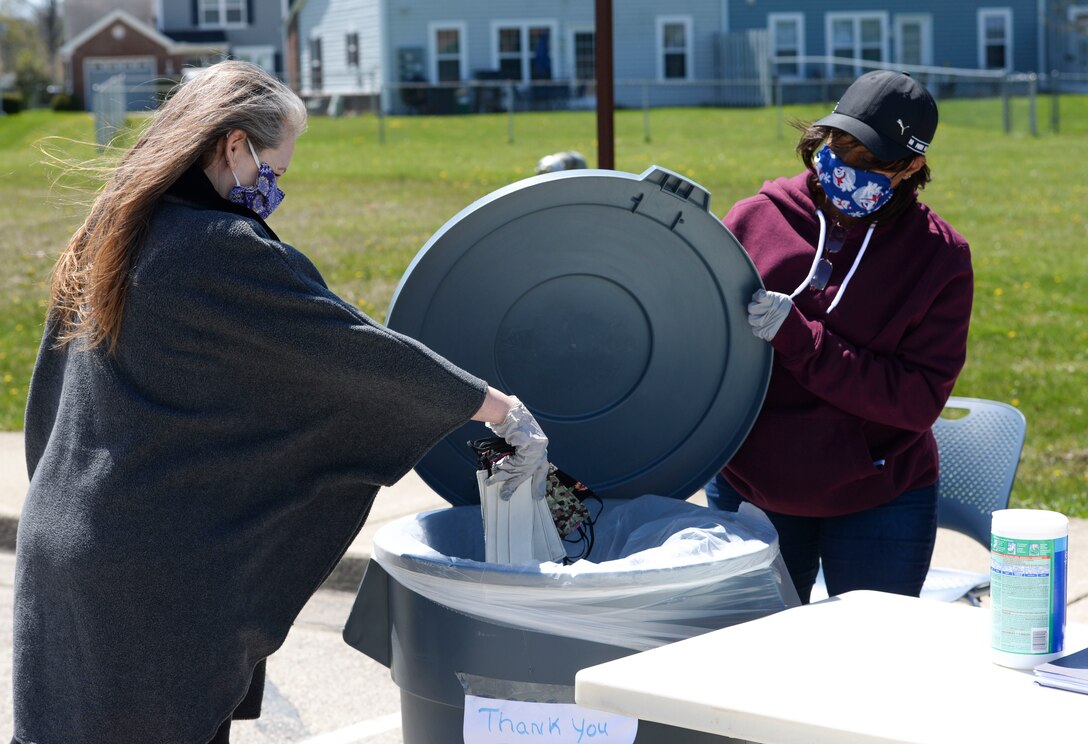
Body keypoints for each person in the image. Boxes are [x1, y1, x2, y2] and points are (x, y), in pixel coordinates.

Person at [12, 60, 549, 744]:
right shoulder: (216, 247)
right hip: (149, 577)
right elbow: (345, 351)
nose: (276, 188)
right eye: (278, 168)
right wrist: (492, 406)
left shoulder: (116, 228)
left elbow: (53, 392)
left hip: (65, 544)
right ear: (234, 146)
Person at [706, 70, 973, 604]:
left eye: (872, 161)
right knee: (746, 661)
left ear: (911, 167)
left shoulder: (939, 257)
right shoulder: (755, 220)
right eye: (840, 145)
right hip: (753, 483)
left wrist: (804, 343)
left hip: (880, 494)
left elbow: (917, 401)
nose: (847, 168)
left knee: (868, 668)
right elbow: (705, 344)